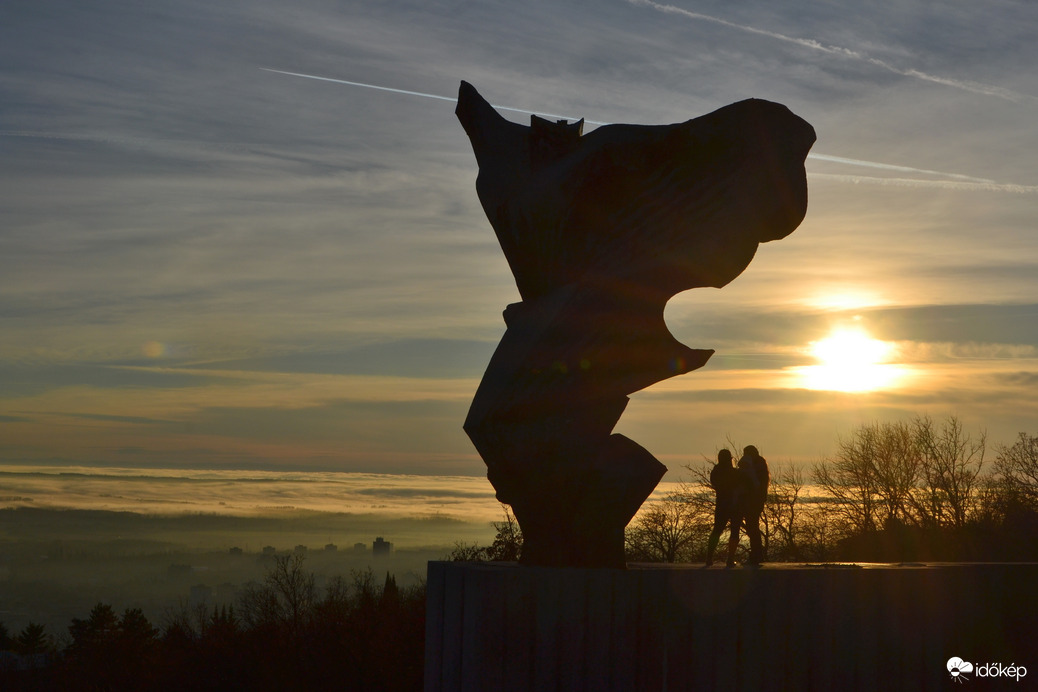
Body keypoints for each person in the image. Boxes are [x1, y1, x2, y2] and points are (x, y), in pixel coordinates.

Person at [704, 449, 741, 567]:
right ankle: (730, 559)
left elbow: (715, 483)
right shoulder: (735, 473)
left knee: (717, 530)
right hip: (735, 505)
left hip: (721, 504)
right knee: (734, 531)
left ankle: (709, 557)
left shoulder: (716, 471)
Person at [737, 445, 770, 566]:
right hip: (756, 500)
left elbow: (752, 482)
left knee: (752, 527)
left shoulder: (754, 464)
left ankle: (756, 554)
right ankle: (757, 553)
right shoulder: (760, 464)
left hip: (753, 500)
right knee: (752, 527)